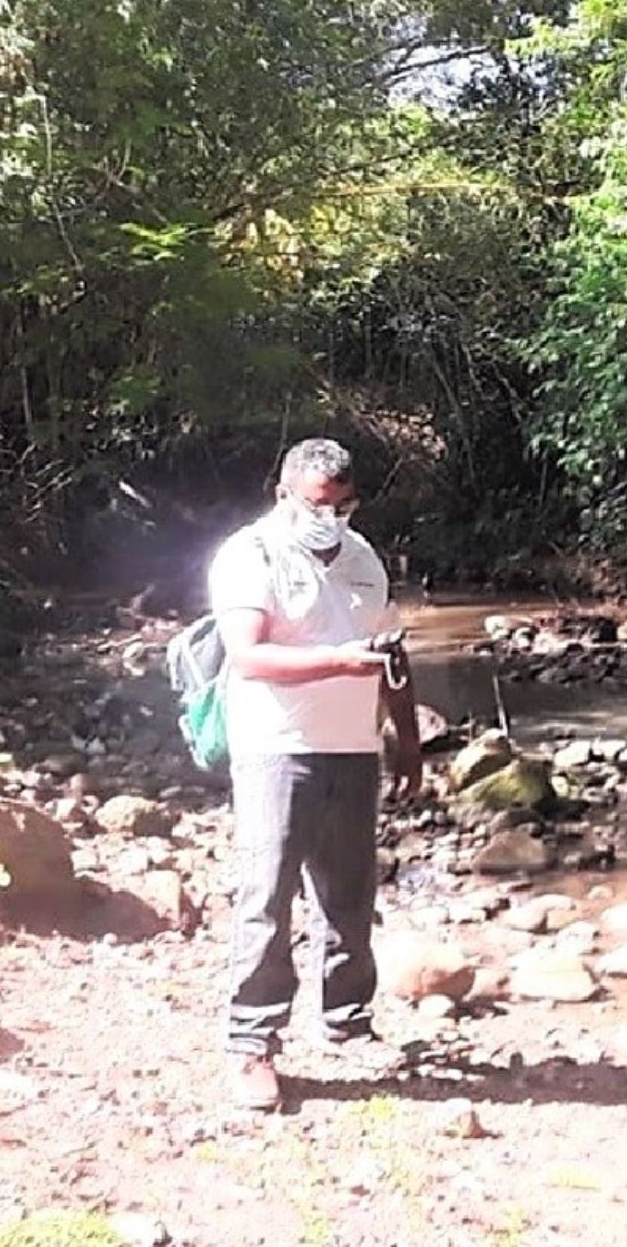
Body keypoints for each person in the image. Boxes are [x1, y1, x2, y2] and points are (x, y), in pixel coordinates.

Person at [207, 437, 423, 1111]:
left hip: (355, 747)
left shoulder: (364, 559)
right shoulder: (251, 554)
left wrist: (408, 738)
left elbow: (389, 653)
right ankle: (252, 1043)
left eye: (342, 503)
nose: (329, 515)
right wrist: (339, 661)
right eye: (316, 503)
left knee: (350, 895)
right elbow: (248, 655)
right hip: (277, 744)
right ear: (283, 495)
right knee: (267, 895)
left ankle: (347, 1018)